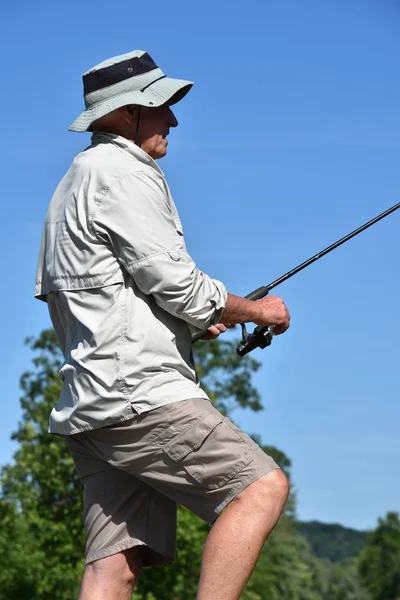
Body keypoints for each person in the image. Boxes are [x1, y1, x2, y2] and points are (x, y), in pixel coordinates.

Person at [35, 49, 291, 600]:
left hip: (92, 405)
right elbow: (175, 282)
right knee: (260, 489)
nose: (173, 119)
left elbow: (112, 295)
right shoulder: (123, 173)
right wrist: (256, 310)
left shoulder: (73, 182)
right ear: (127, 113)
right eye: (163, 106)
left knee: (114, 565)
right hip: (140, 396)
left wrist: (194, 323)